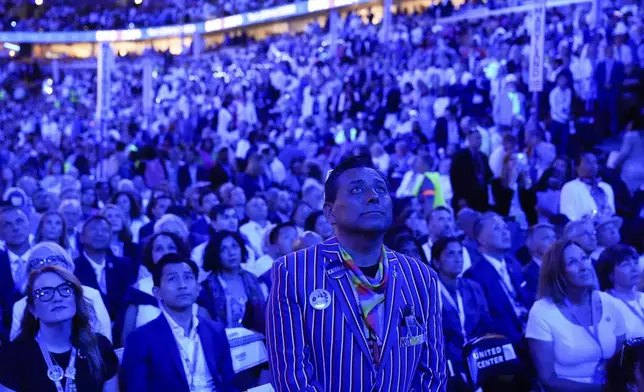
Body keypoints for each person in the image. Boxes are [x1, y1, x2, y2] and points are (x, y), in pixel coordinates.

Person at [266, 156, 446, 391]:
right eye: (357, 190)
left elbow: (432, 374)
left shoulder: (421, 277)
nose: (374, 196)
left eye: (381, 189)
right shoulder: (293, 272)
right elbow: (292, 379)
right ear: (330, 213)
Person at [120, 253, 238, 392]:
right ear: (157, 292)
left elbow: (229, 383)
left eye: (188, 278)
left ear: (197, 288)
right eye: (172, 279)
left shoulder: (215, 330)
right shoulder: (140, 338)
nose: (182, 285)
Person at [526, 240, 626, 391]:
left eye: (584, 258)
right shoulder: (542, 311)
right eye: (572, 262)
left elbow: (623, 361)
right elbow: (547, 378)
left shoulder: (610, 303)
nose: (583, 266)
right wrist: (601, 390)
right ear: (557, 272)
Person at [0, 265, 119, 391]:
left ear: (76, 299)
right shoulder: (12, 355)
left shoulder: (100, 347)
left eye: (65, 289)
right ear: (32, 309)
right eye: (44, 293)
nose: (57, 298)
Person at [10, 241, 112, 342]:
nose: (46, 265)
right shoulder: (21, 306)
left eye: (53, 259)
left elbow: (105, 341)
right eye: (37, 262)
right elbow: (15, 349)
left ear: (67, 265)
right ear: (29, 273)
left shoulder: (91, 295)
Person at [431, 236, 494, 390]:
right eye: (451, 254)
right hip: (448, 363)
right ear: (437, 262)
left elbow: (486, 325)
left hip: (478, 357)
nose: (458, 259)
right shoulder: (429, 292)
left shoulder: (474, 287)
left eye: (460, 253)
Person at [464, 213, 534, 345]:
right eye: (497, 228)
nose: (505, 232)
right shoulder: (474, 275)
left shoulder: (514, 263)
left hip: (532, 332)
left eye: (505, 228)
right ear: (481, 239)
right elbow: (486, 320)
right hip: (507, 341)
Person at [121, 231, 190, 346]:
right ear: (150, 255)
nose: (166, 253)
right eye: (159, 249)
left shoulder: (192, 286)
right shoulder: (138, 290)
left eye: (171, 247)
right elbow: (127, 339)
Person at [197, 230, 267, 332]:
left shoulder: (255, 281)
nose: (231, 253)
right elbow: (204, 326)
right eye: (223, 249)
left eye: (234, 247)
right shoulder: (206, 289)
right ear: (215, 254)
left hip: (257, 342)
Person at [74, 216, 136, 323]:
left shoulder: (123, 265)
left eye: (105, 230)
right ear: (81, 237)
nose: (100, 233)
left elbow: (129, 299)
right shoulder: (73, 268)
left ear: (111, 237)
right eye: (94, 229)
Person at [595, 245, 644, 339]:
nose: (634, 269)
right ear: (610, 274)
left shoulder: (643, 297)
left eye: (636, 262)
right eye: (626, 264)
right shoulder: (605, 302)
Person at [0, 206, 33, 335]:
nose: (15, 228)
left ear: (29, 225)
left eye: (19, 221)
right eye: (7, 225)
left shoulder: (46, 258)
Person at [560, 151, 616, 221]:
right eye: (588, 163)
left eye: (595, 163)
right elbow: (568, 216)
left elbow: (611, 213)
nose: (593, 166)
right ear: (577, 167)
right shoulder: (569, 187)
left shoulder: (606, 187)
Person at [450, 129, 493, 212]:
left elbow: (488, 175)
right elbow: (454, 178)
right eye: (476, 138)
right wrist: (459, 197)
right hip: (466, 198)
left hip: (482, 199)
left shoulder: (483, 157)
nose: (479, 141)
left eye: (480, 138)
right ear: (469, 139)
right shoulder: (460, 157)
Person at [422, 206, 472, 272]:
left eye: (449, 219)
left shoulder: (461, 249)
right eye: (441, 219)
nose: (447, 224)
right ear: (429, 225)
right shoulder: (422, 251)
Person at [523, 222, 557, 300]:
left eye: (554, 237)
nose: (554, 241)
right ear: (532, 245)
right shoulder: (528, 274)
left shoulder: (563, 266)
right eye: (546, 238)